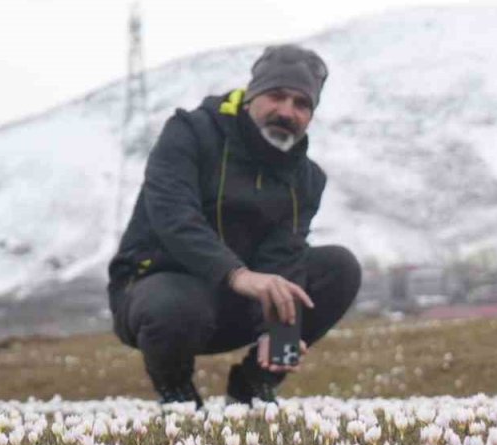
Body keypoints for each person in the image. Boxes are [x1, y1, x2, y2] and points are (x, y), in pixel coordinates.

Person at [107, 44, 361, 407]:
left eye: (301, 104)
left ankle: (253, 389)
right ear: (251, 95)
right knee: (174, 305)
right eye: (276, 96)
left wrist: (279, 332)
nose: (287, 112)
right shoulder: (190, 133)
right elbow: (174, 217)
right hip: (159, 296)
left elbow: (283, 253)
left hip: (237, 304)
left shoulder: (306, 178)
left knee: (339, 267)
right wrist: (237, 275)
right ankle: (179, 398)